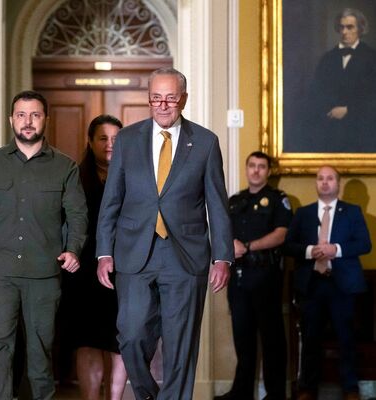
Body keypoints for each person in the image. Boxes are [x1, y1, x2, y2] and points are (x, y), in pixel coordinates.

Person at [96, 67, 234, 400]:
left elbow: (217, 203)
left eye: (170, 98)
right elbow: (111, 199)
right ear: (148, 100)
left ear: (183, 99)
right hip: (134, 252)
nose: (163, 105)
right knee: (130, 334)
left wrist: (223, 256)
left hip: (185, 255)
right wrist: (104, 251)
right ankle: (147, 395)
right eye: (156, 98)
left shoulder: (204, 142)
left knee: (180, 343)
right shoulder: (127, 139)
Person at [0, 90, 87, 400]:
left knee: (39, 352)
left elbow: (78, 214)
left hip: (44, 276)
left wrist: (73, 249)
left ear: (45, 120)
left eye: (35, 115)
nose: (27, 122)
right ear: (11, 119)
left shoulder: (65, 167)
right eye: (21, 115)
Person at [284, 166, 371, 400]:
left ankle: (350, 388)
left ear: (338, 183)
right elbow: (288, 245)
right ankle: (307, 389)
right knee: (310, 338)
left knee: (346, 337)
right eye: (320, 178)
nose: (324, 182)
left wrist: (337, 250)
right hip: (312, 284)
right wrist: (311, 250)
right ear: (316, 183)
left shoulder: (352, 212)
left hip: (342, 285)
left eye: (329, 178)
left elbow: (365, 244)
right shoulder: (303, 213)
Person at [58, 115, 127, 400]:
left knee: (121, 342)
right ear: (90, 141)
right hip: (83, 273)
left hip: (124, 271)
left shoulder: (135, 175)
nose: (110, 145)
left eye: (115, 139)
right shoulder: (74, 176)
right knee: (86, 342)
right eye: (102, 138)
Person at [216, 151, 291, 400]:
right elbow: (221, 231)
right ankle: (242, 392)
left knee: (272, 340)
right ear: (246, 169)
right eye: (252, 166)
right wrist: (230, 246)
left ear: (268, 171)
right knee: (243, 338)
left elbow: (282, 234)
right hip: (238, 279)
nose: (256, 170)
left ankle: (275, 393)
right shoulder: (235, 201)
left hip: (266, 276)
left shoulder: (278, 199)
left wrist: (248, 247)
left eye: (261, 166)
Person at [301, 8, 376, 153]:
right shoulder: (327, 59)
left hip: (362, 135)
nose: (344, 32)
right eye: (341, 27)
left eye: (350, 27)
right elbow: (315, 94)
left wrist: (348, 110)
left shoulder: (375, 58)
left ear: (360, 29)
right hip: (330, 135)